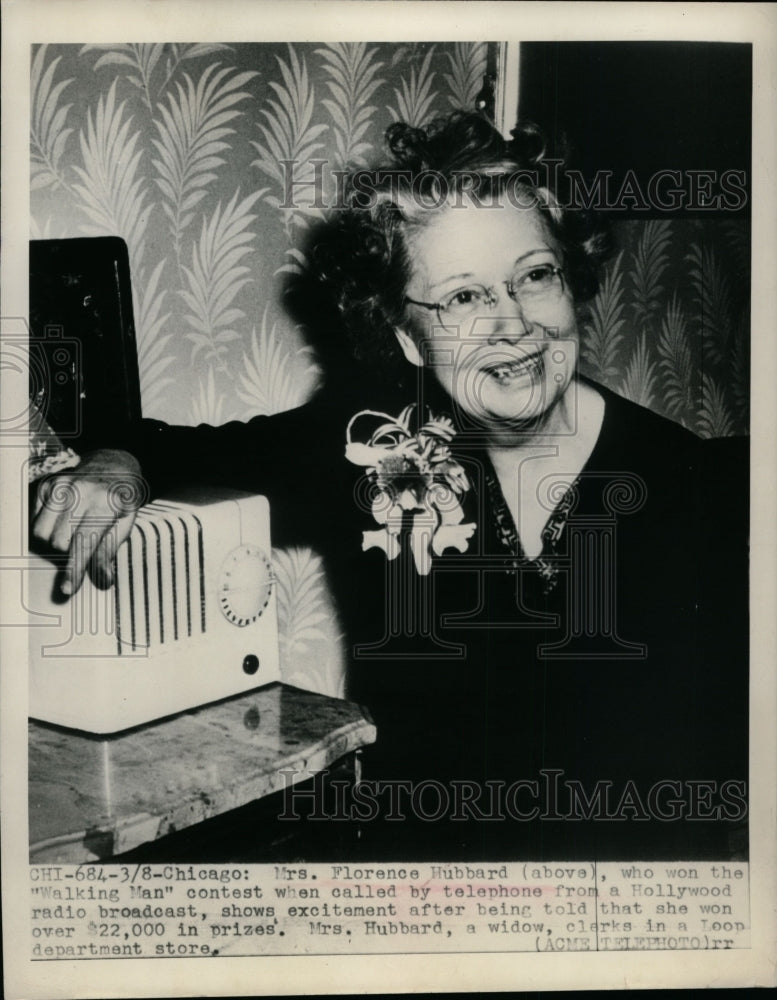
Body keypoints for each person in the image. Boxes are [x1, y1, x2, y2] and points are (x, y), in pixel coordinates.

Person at [31, 111, 748, 861]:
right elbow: (171, 446)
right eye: (463, 298)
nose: (512, 325)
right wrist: (120, 464)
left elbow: (710, 793)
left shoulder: (691, 490)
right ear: (406, 336)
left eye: (533, 275)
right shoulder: (374, 447)